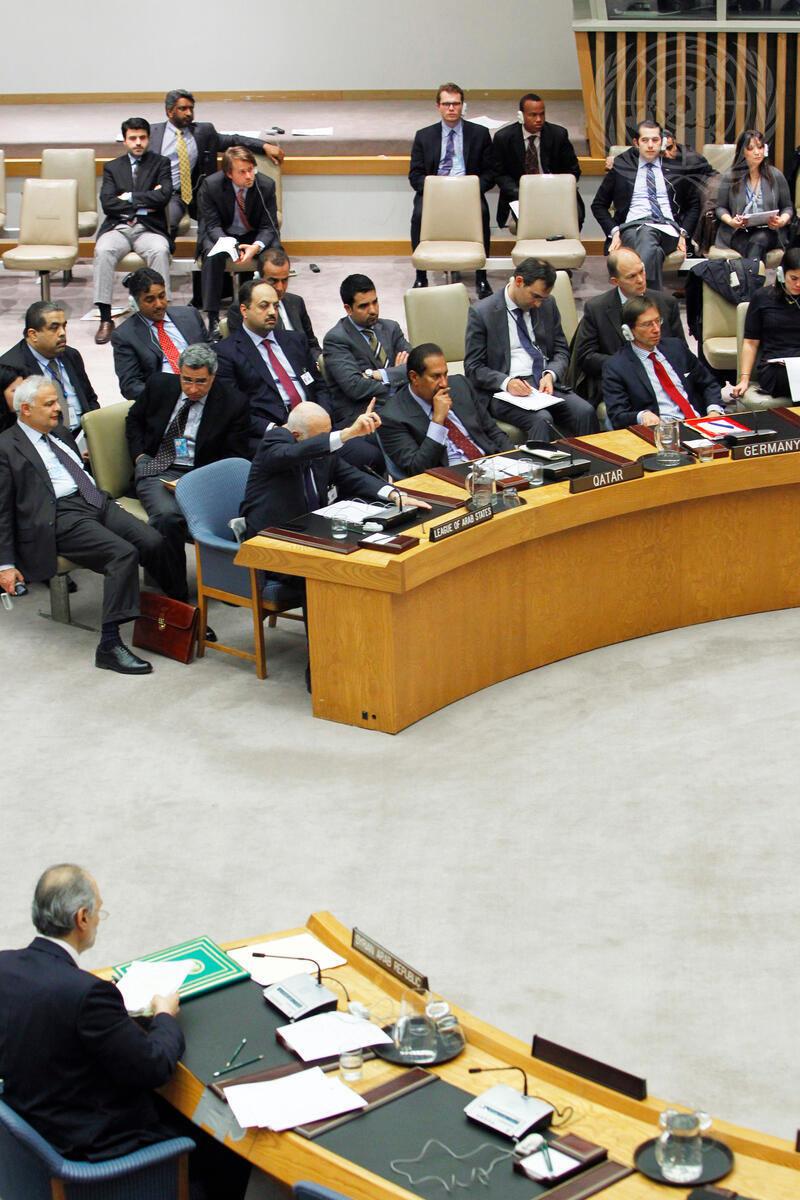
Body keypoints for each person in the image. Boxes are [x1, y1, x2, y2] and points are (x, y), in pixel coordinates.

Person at [0, 864, 250, 1200]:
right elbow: (154, 1066)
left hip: (36, 1125)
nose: (98, 920)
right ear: (82, 918)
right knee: (226, 1140)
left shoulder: (5, 967)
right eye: (98, 912)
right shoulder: (87, 994)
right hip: (91, 1144)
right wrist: (164, 1015)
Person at [0, 377, 171, 674]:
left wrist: (103, 499)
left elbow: (78, 470)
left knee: (154, 541)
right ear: (25, 409)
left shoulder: (59, 432)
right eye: (49, 404)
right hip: (59, 514)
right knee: (122, 554)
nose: (58, 408)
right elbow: (2, 509)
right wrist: (5, 564)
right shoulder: (6, 447)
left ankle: (176, 613)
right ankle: (109, 645)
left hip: (94, 500)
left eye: (57, 401)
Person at [127, 343, 249, 602]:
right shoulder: (159, 385)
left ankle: (227, 584)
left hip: (200, 473)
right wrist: (139, 456)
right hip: (158, 468)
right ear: (179, 373)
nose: (193, 389)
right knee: (167, 517)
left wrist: (200, 482)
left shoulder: (233, 403)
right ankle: (177, 597)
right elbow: (133, 420)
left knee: (232, 508)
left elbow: (233, 455)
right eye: (187, 380)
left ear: (212, 376)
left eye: (200, 382)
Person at [465, 257, 599, 441]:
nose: (538, 304)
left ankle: (589, 459)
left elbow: (561, 350)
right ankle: (540, 461)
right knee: (542, 419)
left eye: (542, 298)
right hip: (504, 391)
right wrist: (507, 383)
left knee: (585, 411)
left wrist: (551, 374)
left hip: (543, 383)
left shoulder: (547, 304)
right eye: (535, 296)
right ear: (519, 281)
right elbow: (473, 367)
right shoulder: (482, 312)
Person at [241, 400, 400, 539]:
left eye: (328, 434)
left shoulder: (321, 451)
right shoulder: (274, 443)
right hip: (274, 536)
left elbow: (352, 476)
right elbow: (295, 453)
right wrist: (348, 433)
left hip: (314, 527)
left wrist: (393, 494)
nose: (327, 441)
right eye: (321, 437)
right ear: (296, 435)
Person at [215, 280, 331, 457]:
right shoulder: (226, 353)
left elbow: (320, 386)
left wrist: (323, 417)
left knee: (365, 452)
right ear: (244, 310)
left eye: (275, 306)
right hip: (272, 438)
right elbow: (232, 410)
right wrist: (276, 430)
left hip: (317, 428)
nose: (272, 312)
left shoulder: (296, 340)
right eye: (264, 306)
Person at [148, 88, 283, 237]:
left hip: (199, 194)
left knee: (221, 223)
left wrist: (264, 146)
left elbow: (234, 140)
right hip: (170, 194)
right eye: (183, 109)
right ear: (169, 112)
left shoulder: (203, 132)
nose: (189, 113)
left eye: (191, 108)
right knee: (167, 223)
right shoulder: (152, 133)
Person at [591, 118, 702, 290]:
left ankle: (636, 296)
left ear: (661, 142)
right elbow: (598, 204)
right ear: (636, 143)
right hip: (630, 228)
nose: (650, 145)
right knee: (652, 250)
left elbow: (694, 205)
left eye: (655, 140)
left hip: (667, 229)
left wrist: (683, 232)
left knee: (646, 232)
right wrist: (614, 231)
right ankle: (650, 299)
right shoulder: (622, 165)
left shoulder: (677, 168)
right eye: (645, 140)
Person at [408, 82, 494, 296]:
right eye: (446, 104)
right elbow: (415, 175)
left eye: (456, 103)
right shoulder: (423, 136)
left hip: (468, 192)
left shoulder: (480, 134)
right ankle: (421, 276)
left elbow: (490, 173)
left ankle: (482, 277)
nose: (451, 108)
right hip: (435, 194)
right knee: (418, 216)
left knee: (483, 213)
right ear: (438, 106)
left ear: (463, 105)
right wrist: (435, 190)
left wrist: (471, 189)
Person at [93, 118, 172, 345]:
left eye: (142, 138)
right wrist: (146, 200)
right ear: (125, 140)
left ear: (149, 139)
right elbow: (108, 203)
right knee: (103, 250)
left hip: (148, 228)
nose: (138, 142)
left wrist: (128, 197)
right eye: (133, 138)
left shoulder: (161, 163)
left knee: (159, 250)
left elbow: (163, 196)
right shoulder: (112, 167)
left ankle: (161, 316)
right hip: (118, 227)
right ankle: (105, 318)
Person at [379, 343, 513, 478]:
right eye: (436, 377)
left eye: (445, 374)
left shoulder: (460, 385)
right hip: (449, 479)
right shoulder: (392, 416)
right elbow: (417, 470)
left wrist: (513, 462)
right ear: (414, 377)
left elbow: (493, 431)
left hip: (491, 466)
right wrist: (437, 421)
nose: (444, 383)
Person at [322, 273, 411, 471]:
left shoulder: (391, 328)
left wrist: (378, 374)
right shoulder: (336, 339)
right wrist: (398, 373)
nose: (373, 310)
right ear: (348, 309)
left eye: (375, 302)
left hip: (401, 405)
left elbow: (415, 367)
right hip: (365, 414)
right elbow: (355, 386)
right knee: (409, 439)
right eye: (364, 306)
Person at [573, 247, 685, 404]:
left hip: (662, 379)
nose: (640, 280)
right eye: (632, 276)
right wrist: (628, 364)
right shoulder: (597, 308)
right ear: (615, 281)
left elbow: (681, 350)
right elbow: (586, 357)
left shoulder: (667, 303)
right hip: (621, 384)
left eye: (641, 271)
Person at [603, 293, 725, 429]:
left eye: (657, 321)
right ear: (629, 331)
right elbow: (617, 415)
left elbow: (708, 383)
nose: (656, 329)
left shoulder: (676, 347)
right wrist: (642, 416)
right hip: (662, 431)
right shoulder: (616, 367)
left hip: (700, 423)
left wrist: (714, 410)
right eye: (647, 324)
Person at [196, 147, 281, 338]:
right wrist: (229, 244)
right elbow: (212, 225)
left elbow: (269, 226)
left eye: (251, 169)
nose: (249, 176)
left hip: (253, 235)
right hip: (223, 235)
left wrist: (256, 246)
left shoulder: (266, 186)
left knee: (275, 253)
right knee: (211, 254)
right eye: (242, 172)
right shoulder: (211, 185)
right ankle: (213, 318)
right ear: (229, 173)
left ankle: (274, 308)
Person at [0, 301, 100, 435]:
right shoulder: (10, 368)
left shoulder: (71, 355)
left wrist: (94, 432)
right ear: (33, 334)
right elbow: (9, 424)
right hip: (44, 440)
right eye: (54, 328)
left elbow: (90, 399)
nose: (62, 333)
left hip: (83, 434)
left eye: (64, 326)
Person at [111, 267, 209, 401]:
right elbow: (130, 386)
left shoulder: (190, 315)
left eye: (162, 296)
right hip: (166, 398)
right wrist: (167, 395)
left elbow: (213, 352)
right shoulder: (124, 336)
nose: (159, 304)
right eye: (150, 300)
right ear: (136, 301)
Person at [492, 92, 584, 230]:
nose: (539, 119)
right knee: (531, 223)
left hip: (556, 191)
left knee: (576, 215)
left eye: (542, 114)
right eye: (533, 115)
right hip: (520, 194)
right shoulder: (504, 138)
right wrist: (521, 192)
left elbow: (573, 170)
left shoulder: (558, 135)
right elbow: (499, 174)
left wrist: (555, 187)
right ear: (521, 116)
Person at [225, 246, 322, 357]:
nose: (280, 288)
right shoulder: (241, 309)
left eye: (284, 280)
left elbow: (312, 344)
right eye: (273, 281)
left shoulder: (296, 302)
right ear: (259, 278)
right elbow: (243, 354)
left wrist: (317, 361)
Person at [715, 128, 793, 263]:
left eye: (760, 147)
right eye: (751, 148)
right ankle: (755, 276)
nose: (757, 152)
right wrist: (731, 221)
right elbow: (720, 208)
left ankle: (748, 276)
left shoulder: (775, 175)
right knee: (753, 247)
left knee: (759, 240)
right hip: (739, 232)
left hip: (769, 231)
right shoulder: (730, 176)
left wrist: (781, 220)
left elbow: (787, 207)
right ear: (742, 152)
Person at [733, 245, 800, 400]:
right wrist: (744, 379)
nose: (798, 284)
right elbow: (750, 343)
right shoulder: (762, 297)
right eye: (794, 278)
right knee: (788, 376)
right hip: (776, 367)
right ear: (781, 274)